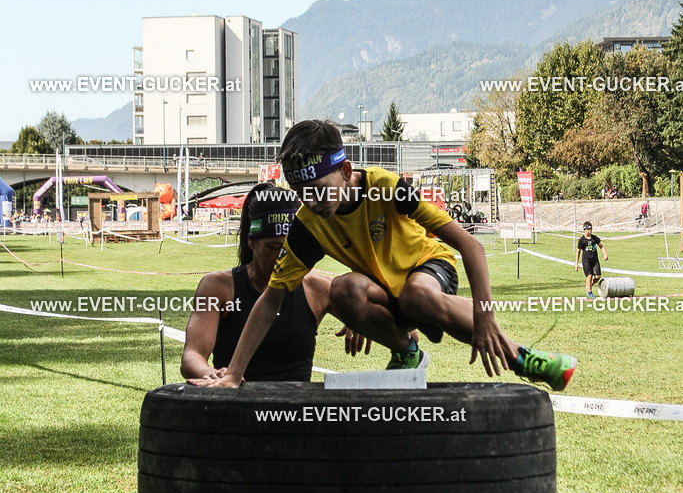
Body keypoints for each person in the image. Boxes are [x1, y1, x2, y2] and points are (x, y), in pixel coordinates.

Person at [195, 120, 577, 392]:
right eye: (302, 194)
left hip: (430, 268)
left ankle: (523, 358)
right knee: (342, 290)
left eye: (318, 189)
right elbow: (270, 300)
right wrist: (234, 374)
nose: (311, 201)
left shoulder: (385, 187)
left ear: (346, 170)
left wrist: (486, 317)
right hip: (387, 292)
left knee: (417, 295)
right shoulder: (308, 224)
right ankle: (406, 351)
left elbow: (471, 246)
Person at [182, 182, 370, 383]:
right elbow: (192, 355)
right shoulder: (217, 287)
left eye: (291, 248)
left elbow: (379, 300)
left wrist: (358, 311)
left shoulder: (315, 288)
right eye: (274, 247)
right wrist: (211, 374)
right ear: (251, 241)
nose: (283, 257)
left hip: (294, 402)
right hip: (236, 399)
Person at [574, 221, 608, 298]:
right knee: (589, 276)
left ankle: (589, 285)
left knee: (598, 276)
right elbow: (578, 251)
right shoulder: (582, 240)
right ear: (584, 230)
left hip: (595, 260)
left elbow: (601, 246)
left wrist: (605, 254)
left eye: (590, 229)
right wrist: (576, 263)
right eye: (588, 229)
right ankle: (590, 292)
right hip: (586, 261)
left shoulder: (594, 238)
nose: (589, 231)